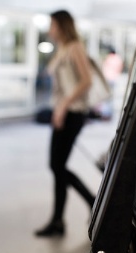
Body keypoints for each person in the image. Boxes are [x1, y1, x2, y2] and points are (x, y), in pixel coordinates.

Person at [35, 10, 96, 237]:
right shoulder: (61, 49)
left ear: (61, 26)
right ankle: (59, 220)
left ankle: (91, 202)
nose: (50, 29)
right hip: (63, 112)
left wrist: (63, 106)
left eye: (52, 24)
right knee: (56, 166)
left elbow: (86, 81)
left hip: (72, 114)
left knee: (57, 166)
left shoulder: (74, 48)